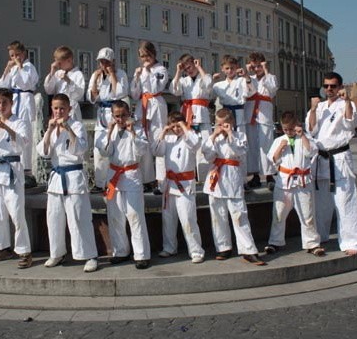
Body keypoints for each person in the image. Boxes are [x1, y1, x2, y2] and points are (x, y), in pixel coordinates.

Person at [36, 94, 99, 272]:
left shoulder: (77, 125)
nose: (59, 111)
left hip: (73, 177)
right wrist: (49, 130)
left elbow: (80, 149)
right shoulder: (51, 127)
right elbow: (43, 152)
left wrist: (67, 129)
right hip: (56, 178)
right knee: (53, 218)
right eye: (56, 108)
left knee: (79, 217)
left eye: (62, 108)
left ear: (69, 109)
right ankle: (57, 252)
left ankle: (90, 255)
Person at [307, 72, 357, 256]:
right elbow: (311, 130)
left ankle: (352, 241)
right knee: (321, 203)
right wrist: (314, 109)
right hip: (320, 159)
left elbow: (351, 124)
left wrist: (348, 101)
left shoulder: (347, 105)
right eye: (326, 86)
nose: (329, 89)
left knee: (344, 200)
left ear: (340, 87)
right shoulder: (319, 106)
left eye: (333, 86)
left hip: (339, 159)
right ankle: (321, 236)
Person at [202, 108, 265, 265]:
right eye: (218, 124)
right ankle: (223, 247)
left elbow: (240, 152)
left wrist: (230, 136)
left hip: (233, 177)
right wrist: (213, 136)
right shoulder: (213, 138)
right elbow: (207, 155)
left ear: (232, 123)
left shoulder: (240, 136)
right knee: (218, 215)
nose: (221, 127)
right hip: (216, 178)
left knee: (239, 215)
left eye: (224, 124)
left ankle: (248, 250)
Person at [0, 89, 33, 268]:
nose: (1, 106)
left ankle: (24, 251)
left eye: (4, 103)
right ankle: (3, 248)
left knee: (16, 213)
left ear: (11, 103)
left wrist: (7, 128)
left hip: (13, 170)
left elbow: (23, 144)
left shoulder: (20, 122)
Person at [96, 100, 151, 269]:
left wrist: (133, 132)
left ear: (129, 115)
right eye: (117, 116)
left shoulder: (138, 130)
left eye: (123, 115)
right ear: (112, 116)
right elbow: (104, 151)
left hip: (131, 174)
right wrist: (110, 131)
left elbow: (142, 150)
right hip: (114, 176)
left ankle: (141, 254)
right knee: (115, 217)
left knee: (135, 215)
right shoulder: (108, 132)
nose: (120, 119)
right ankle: (120, 251)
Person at [264, 112, 325, 257]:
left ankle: (312, 243)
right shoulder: (279, 140)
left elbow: (311, 152)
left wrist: (302, 135)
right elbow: (273, 159)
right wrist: (281, 148)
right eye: (285, 129)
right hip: (284, 182)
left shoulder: (305, 138)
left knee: (308, 214)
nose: (289, 132)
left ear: (297, 125)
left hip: (303, 182)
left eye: (291, 129)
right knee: (279, 214)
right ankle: (275, 242)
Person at [152, 112, 205, 263]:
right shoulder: (167, 140)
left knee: (188, 218)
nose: (176, 129)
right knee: (168, 219)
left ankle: (196, 251)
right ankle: (169, 247)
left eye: (178, 126)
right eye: (173, 126)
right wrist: (163, 131)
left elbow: (196, 144)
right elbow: (156, 151)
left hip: (185, 186)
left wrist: (184, 126)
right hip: (169, 185)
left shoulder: (190, 137)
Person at [0, 41, 39, 188]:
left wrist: (20, 66)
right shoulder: (13, 68)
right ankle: (15, 166)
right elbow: (2, 85)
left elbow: (25, 84)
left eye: (17, 55)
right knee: (13, 132)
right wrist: (7, 69)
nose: (15, 58)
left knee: (25, 135)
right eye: (12, 56)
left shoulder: (29, 67)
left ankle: (27, 170)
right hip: (15, 101)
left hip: (26, 102)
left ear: (24, 54)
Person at [87, 47, 129, 192]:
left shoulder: (121, 74)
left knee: (114, 148)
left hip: (115, 112)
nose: (103, 65)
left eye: (106, 62)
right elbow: (92, 97)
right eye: (101, 62)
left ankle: (114, 182)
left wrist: (112, 75)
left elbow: (120, 92)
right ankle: (99, 184)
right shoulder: (96, 75)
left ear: (113, 62)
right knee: (99, 150)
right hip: (101, 114)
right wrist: (94, 80)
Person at [129, 41, 168, 194]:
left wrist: (147, 72)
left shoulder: (161, 69)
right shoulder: (139, 70)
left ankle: (161, 181)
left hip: (156, 104)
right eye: (142, 56)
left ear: (153, 54)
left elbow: (155, 87)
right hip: (142, 105)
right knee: (143, 142)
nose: (145, 58)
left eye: (147, 55)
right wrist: (137, 77)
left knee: (158, 142)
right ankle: (147, 180)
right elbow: (134, 94)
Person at [170, 54, 213, 181]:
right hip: (187, 115)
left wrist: (199, 68)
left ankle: (205, 177)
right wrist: (178, 72)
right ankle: (190, 175)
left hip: (202, 116)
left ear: (195, 63)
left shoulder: (204, 76)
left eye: (190, 66)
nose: (189, 70)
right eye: (186, 68)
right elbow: (174, 90)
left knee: (205, 145)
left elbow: (209, 84)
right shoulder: (184, 81)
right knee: (188, 145)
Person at [244, 52, 278, 189]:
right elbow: (246, 92)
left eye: (259, 66)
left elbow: (273, 89)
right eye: (254, 66)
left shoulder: (271, 77)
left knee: (266, 146)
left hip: (264, 116)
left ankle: (270, 175)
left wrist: (266, 70)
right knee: (252, 147)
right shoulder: (249, 78)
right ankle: (255, 175)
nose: (257, 69)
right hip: (250, 115)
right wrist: (246, 73)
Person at [212, 55, 253, 131]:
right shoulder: (218, 85)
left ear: (237, 67)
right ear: (222, 69)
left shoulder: (242, 81)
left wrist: (246, 76)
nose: (230, 70)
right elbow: (209, 96)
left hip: (239, 113)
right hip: (224, 114)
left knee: (240, 137)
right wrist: (212, 80)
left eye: (232, 68)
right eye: (227, 68)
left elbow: (251, 92)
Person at [44, 46, 85, 121]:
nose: (58, 65)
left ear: (69, 60)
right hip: (58, 110)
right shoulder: (58, 73)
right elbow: (48, 90)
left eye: (60, 63)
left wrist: (69, 81)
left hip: (71, 110)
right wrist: (52, 72)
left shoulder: (78, 74)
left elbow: (79, 95)